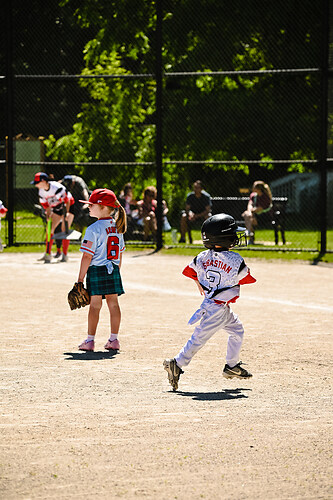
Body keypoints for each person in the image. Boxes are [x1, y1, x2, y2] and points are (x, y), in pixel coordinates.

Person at [163, 213, 256, 391]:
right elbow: (247, 278)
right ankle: (177, 363)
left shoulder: (202, 256)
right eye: (233, 234)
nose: (236, 237)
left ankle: (231, 366)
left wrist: (201, 284)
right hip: (217, 308)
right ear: (224, 237)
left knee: (237, 330)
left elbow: (188, 271)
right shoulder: (235, 259)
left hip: (215, 305)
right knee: (199, 338)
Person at [76, 188, 127, 352]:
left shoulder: (93, 229)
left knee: (95, 306)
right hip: (113, 269)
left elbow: (86, 257)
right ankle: (114, 339)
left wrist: (79, 280)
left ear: (103, 206)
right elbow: (119, 254)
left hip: (97, 270)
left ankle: (90, 341)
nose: (89, 207)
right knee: (114, 304)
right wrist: (116, 271)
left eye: (91, 204)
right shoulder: (117, 227)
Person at [30, 172, 75, 263]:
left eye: (37, 182)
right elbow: (47, 205)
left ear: (43, 181)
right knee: (49, 229)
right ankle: (48, 254)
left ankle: (65, 255)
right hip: (56, 208)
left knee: (64, 229)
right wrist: (48, 214)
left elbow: (67, 201)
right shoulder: (41, 192)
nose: (36, 185)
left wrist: (66, 214)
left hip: (68, 206)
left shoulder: (57, 187)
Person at [242, 180, 273, 245]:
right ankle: (249, 234)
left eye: (254, 187)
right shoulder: (253, 195)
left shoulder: (265, 197)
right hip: (253, 216)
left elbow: (260, 209)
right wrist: (250, 212)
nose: (252, 188)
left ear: (258, 189)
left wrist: (250, 212)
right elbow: (250, 204)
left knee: (246, 215)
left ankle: (249, 235)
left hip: (264, 217)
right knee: (247, 215)